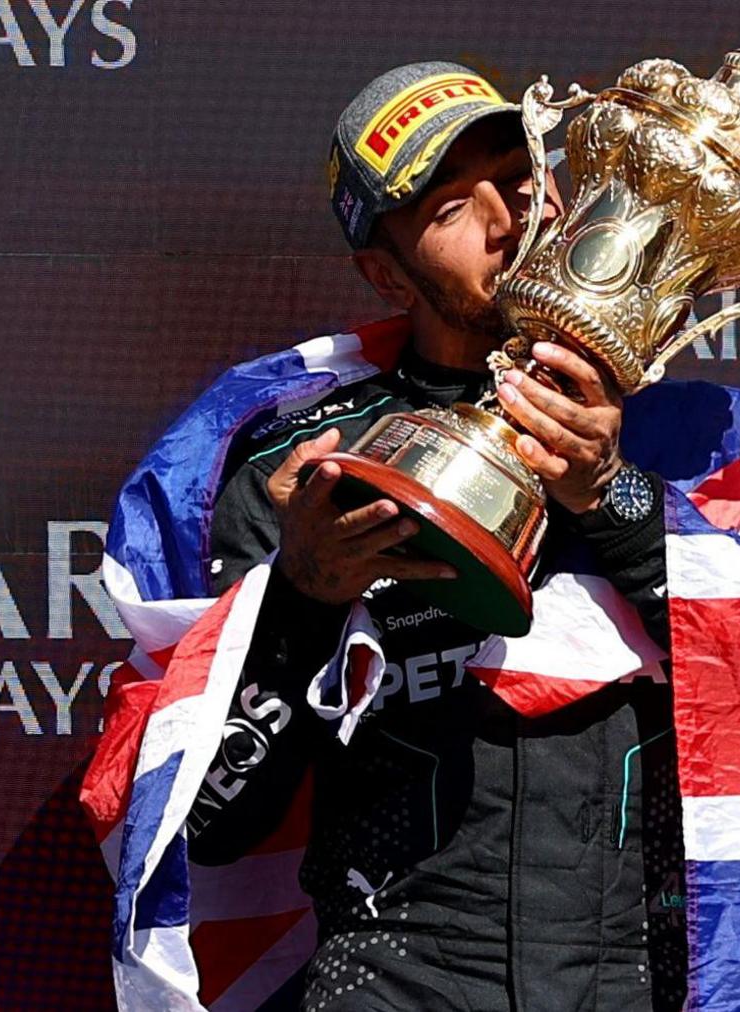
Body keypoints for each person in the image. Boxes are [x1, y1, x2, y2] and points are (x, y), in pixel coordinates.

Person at [182, 62, 688, 1010]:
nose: (509, 220)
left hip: (630, 983)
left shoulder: (702, 446)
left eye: (518, 177)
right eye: (453, 207)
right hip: (392, 981)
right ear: (385, 272)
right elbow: (212, 814)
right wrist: (302, 596)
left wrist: (606, 498)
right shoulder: (311, 473)